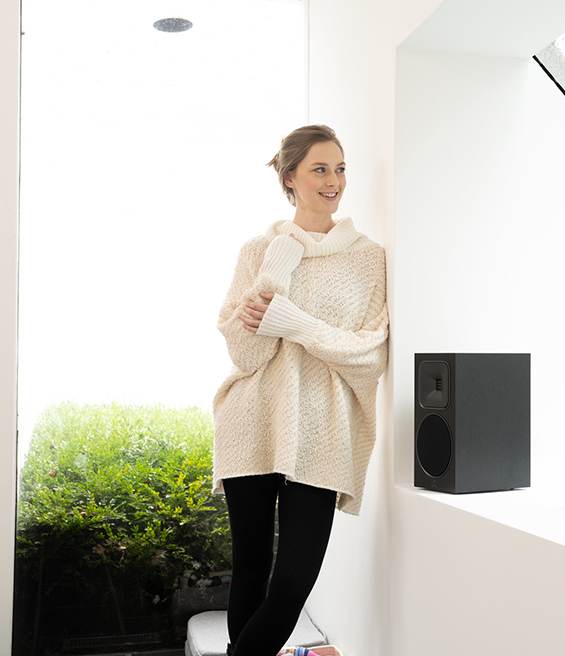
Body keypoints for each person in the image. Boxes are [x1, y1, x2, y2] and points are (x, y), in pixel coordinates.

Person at [212, 125, 389, 656]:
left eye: (339, 169)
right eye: (320, 169)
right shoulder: (257, 251)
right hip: (252, 424)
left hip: (322, 432)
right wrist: (276, 269)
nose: (333, 181)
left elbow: (369, 355)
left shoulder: (368, 257)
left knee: (290, 586)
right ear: (290, 177)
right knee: (248, 573)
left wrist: (292, 321)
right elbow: (247, 356)